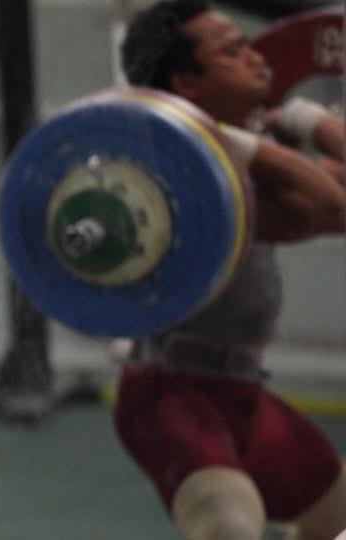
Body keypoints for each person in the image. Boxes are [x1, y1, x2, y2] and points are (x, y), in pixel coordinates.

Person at [116, 2, 346, 539]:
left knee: (335, 518)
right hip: (168, 396)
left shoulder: (248, 157)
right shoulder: (175, 173)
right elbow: (332, 208)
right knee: (228, 525)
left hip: (241, 395)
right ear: (185, 83)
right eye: (234, 52)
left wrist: (291, 125)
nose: (259, 60)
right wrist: (294, 127)